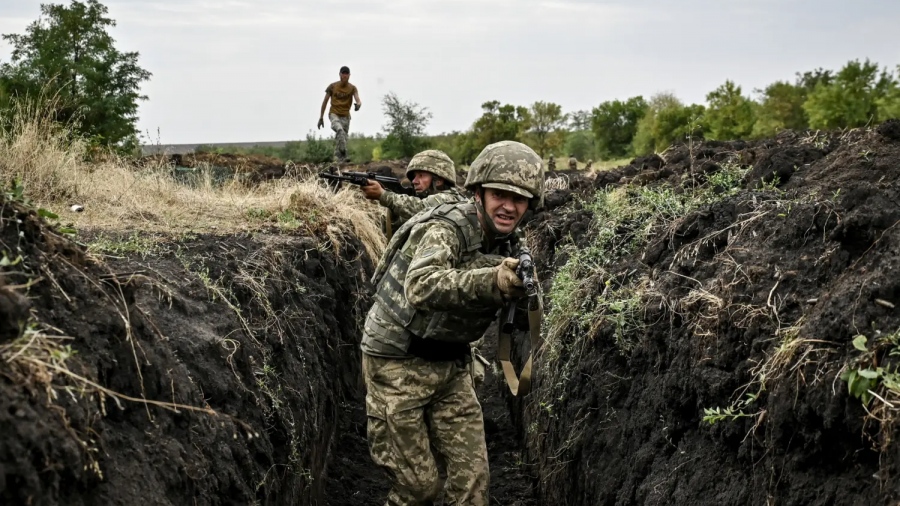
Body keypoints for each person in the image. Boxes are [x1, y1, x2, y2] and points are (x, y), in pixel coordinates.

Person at [361, 141, 544, 505]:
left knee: (471, 483)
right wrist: (491, 281)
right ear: (478, 192)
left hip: (451, 364)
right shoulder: (447, 228)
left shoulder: (511, 242)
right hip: (397, 363)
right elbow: (420, 285)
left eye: (519, 198)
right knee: (418, 489)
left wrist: (521, 295)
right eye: (499, 194)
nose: (509, 206)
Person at [359, 149, 465, 227]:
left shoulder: (450, 199)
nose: (414, 181)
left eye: (421, 175)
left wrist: (383, 195)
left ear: (439, 180)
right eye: (414, 176)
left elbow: (421, 207)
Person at [317, 66, 361, 163]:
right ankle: (345, 153)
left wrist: (358, 105)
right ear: (340, 74)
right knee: (340, 130)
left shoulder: (352, 88)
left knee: (342, 139)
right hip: (334, 114)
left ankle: (338, 162)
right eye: (343, 73)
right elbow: (325, 101)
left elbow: (358, 99)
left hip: (345, 116)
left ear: (349, 75)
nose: (344, 76)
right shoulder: (332, 87)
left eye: (346, 74)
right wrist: (321, 117)